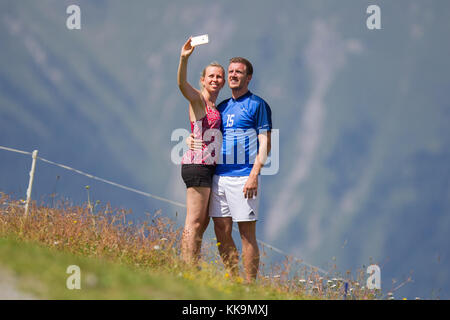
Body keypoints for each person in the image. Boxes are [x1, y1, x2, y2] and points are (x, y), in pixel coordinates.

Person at [188, 57, 272, 283]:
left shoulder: (258, 105)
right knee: (221, 230)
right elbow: (206, 129)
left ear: (249, 77)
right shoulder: (222, 106)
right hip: (219, 176)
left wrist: (254, 175)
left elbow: (265, 143)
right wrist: (191, 138)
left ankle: (249, 286)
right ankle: (234, 281)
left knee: (246, 234)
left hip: (244, 177)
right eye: (231, 72)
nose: (233, 75)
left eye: (239, 72)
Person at [177, 37, 225, 265]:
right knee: (194, 221)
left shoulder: (216, 106)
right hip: (197, 165)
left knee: (202, 222)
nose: (215, 79)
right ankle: (187, 268)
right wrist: (183, 59)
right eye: (211, 76)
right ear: (203, 81)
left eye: (219, 76)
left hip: (207, 166)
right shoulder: (199, 101)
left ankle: (191, 265)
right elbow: (182, 86)